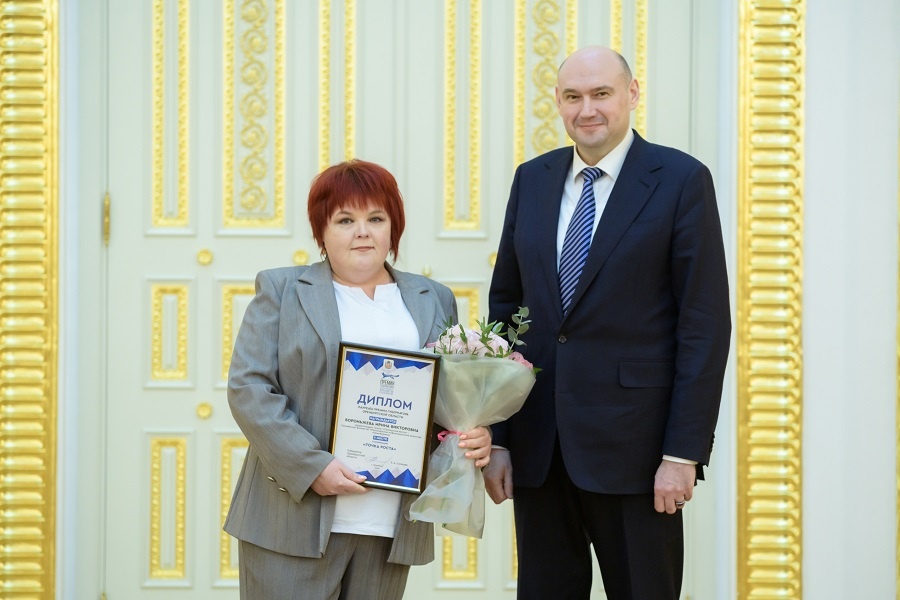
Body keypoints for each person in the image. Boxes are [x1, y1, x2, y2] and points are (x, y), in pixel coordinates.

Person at [483, 46, 731, 599]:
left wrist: (682, 454)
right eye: (573, 96)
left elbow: (704, 326)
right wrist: (498, 437)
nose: (587, 109)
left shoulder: (681, 180)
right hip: (540, 448)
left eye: (601, 94)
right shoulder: (532, 179)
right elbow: (506, 309)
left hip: (638, 454)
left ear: (632, 94)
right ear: (558, 102)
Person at [224, 159, 492, 600]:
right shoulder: (281, 290)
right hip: (292, 517)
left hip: (390, 526)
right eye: (345, 220)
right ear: (321, 230)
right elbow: (249, 389)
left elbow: (447, 399)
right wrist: (312, 468)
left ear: (394, 227)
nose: (362, 232)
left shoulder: (433, 298)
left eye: (376, 219)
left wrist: (472, 432)